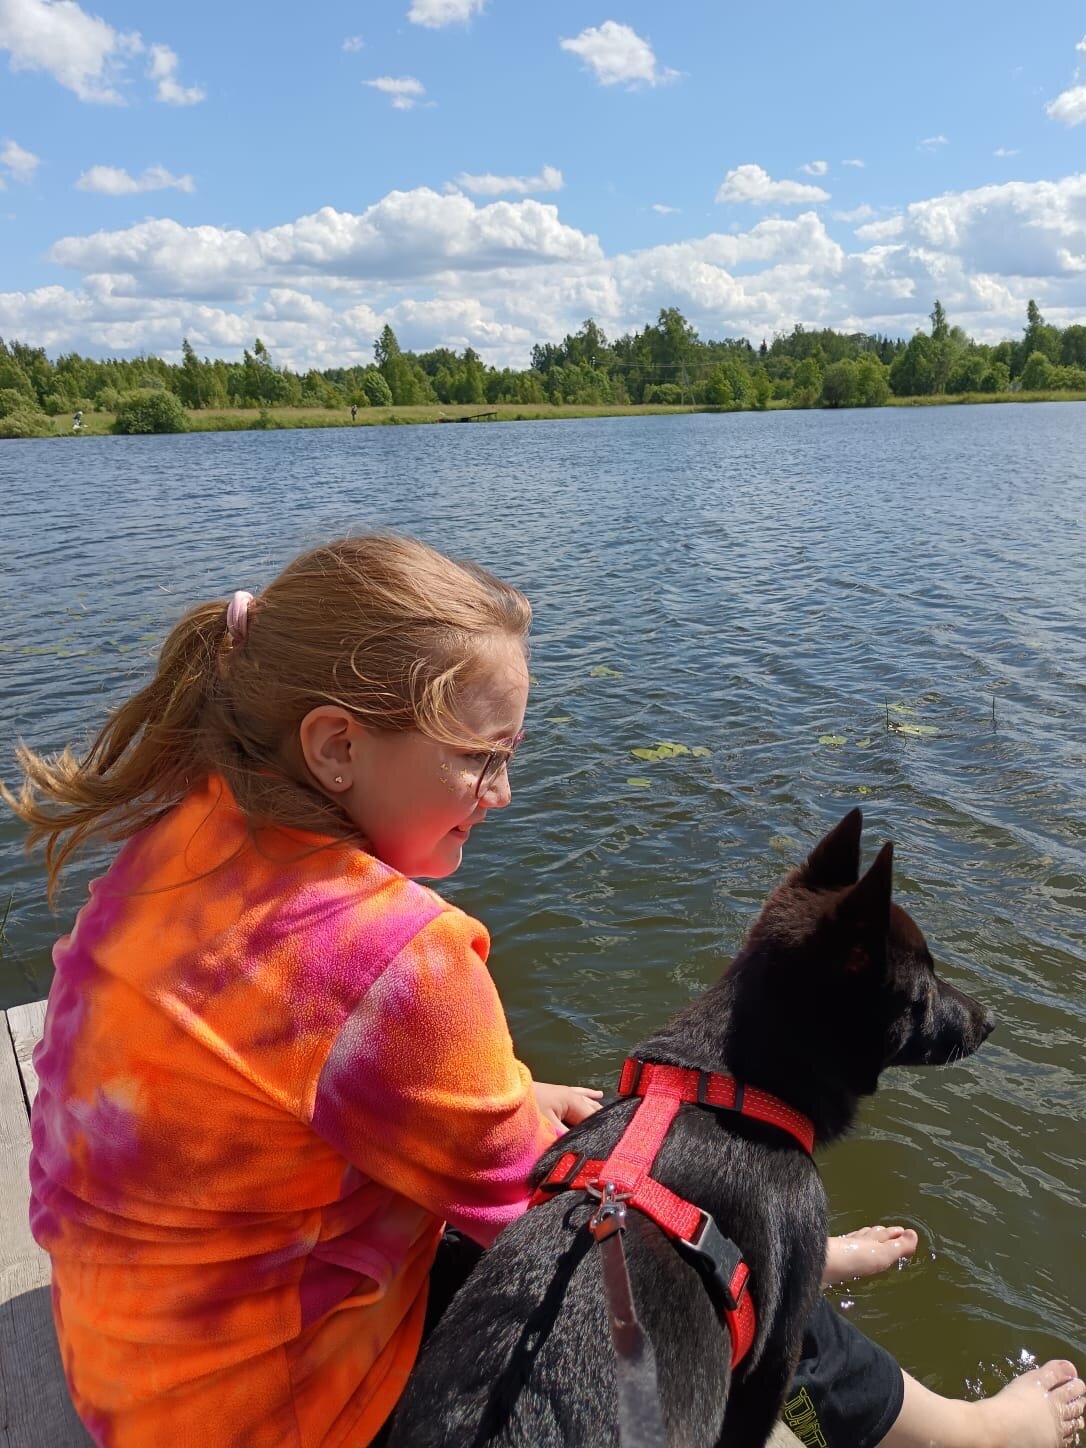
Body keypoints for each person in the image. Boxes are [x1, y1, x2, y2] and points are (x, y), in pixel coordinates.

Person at [4, 534, 1082, 1448]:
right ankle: (946, 1419)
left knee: (648, 1160)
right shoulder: (393, 957)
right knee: (691, 1213)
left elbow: (310, 1082)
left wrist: (520, 1101)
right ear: (335, 745)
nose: (505, 793)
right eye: (481, 758)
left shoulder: (185, 838)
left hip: (138, 1367)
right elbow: (583, 1213)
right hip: (288, 1409)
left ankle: (806, 1262)